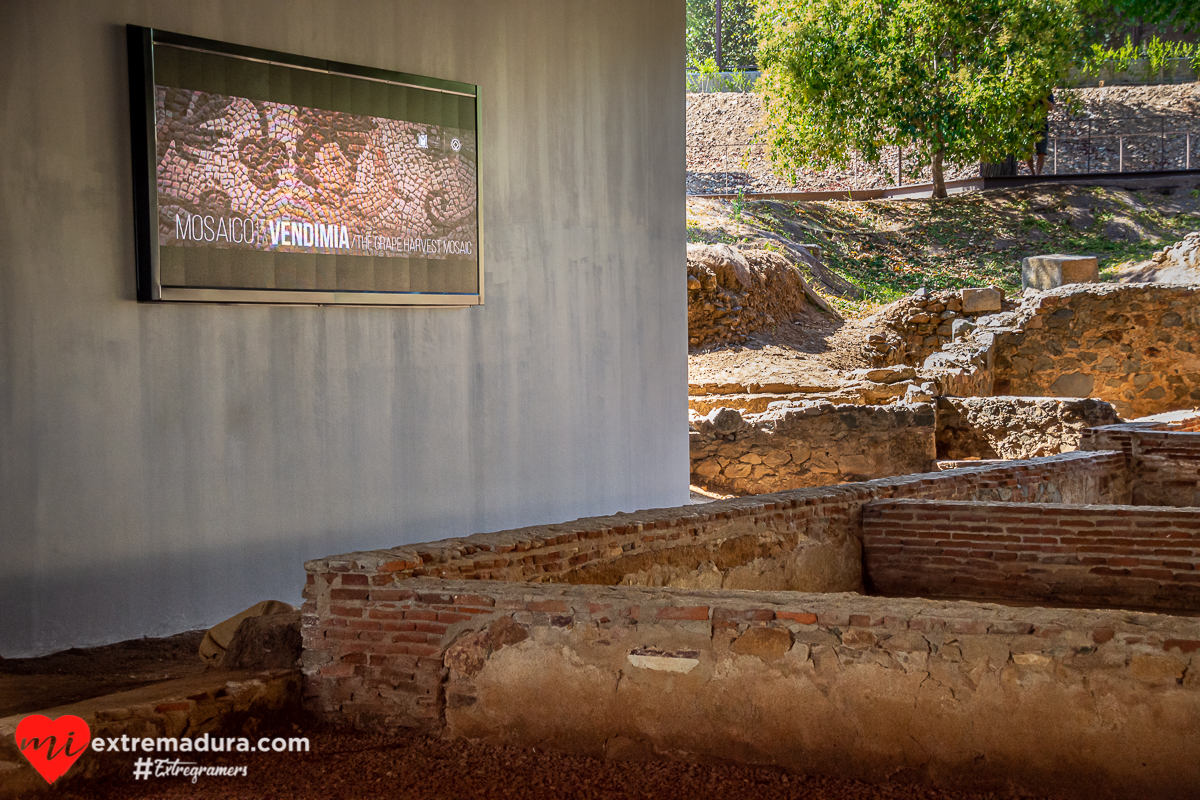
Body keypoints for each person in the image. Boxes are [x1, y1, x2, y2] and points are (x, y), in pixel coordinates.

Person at [1025, 92, 1056, 176]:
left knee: (1042, 152)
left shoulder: (1046, 90)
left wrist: (1042, 98)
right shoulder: (1025, 88)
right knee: (1027, 152)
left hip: (1042, 124)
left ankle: (1038, 175)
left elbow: (1051, 107)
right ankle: (1032, 173)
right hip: (1027, 124)